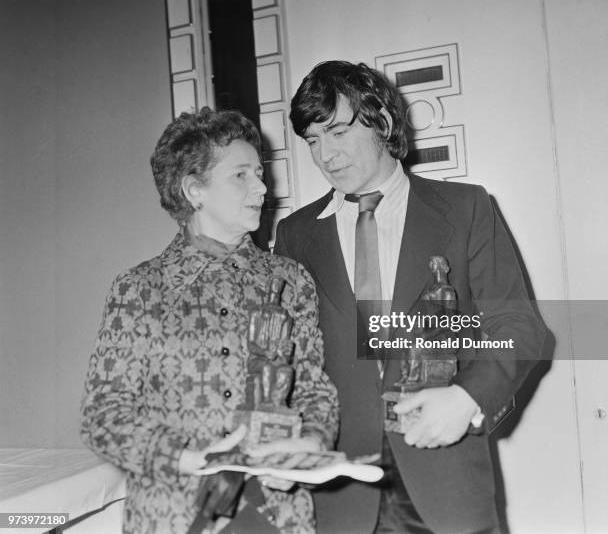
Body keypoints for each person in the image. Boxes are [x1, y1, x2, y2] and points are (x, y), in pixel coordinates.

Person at [274, 61, 546, 534]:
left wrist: (467, 397)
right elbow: (290, 357)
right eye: (313, 141)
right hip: (341, 492)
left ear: (381, 120)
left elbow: (518, 329)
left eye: (337, 132)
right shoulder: (295, 234)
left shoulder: (465, 209)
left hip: (448, 480)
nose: (325, 155)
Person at [81, 107, 338, 534]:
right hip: (174, 517)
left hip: (277, 516)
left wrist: (309, 445)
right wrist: (185, 456)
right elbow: (103, 415)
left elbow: (314, 390)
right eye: (241, 175)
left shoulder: (292, 281)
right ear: (194, 190)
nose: (262, 187)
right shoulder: (139, 290)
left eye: (260, 172)